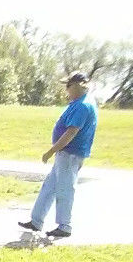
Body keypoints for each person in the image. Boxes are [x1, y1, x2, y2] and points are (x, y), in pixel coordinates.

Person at [20, 71, 99, 239]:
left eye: (68, 86)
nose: (66, 90)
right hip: (65, 154)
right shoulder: (78, 103)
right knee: (49, 187)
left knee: (65, 189)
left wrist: (51, 151)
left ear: (79, 85)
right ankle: (36, 221)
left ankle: (65, 226)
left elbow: (71, 133)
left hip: (70, 154)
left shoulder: (83, 106)